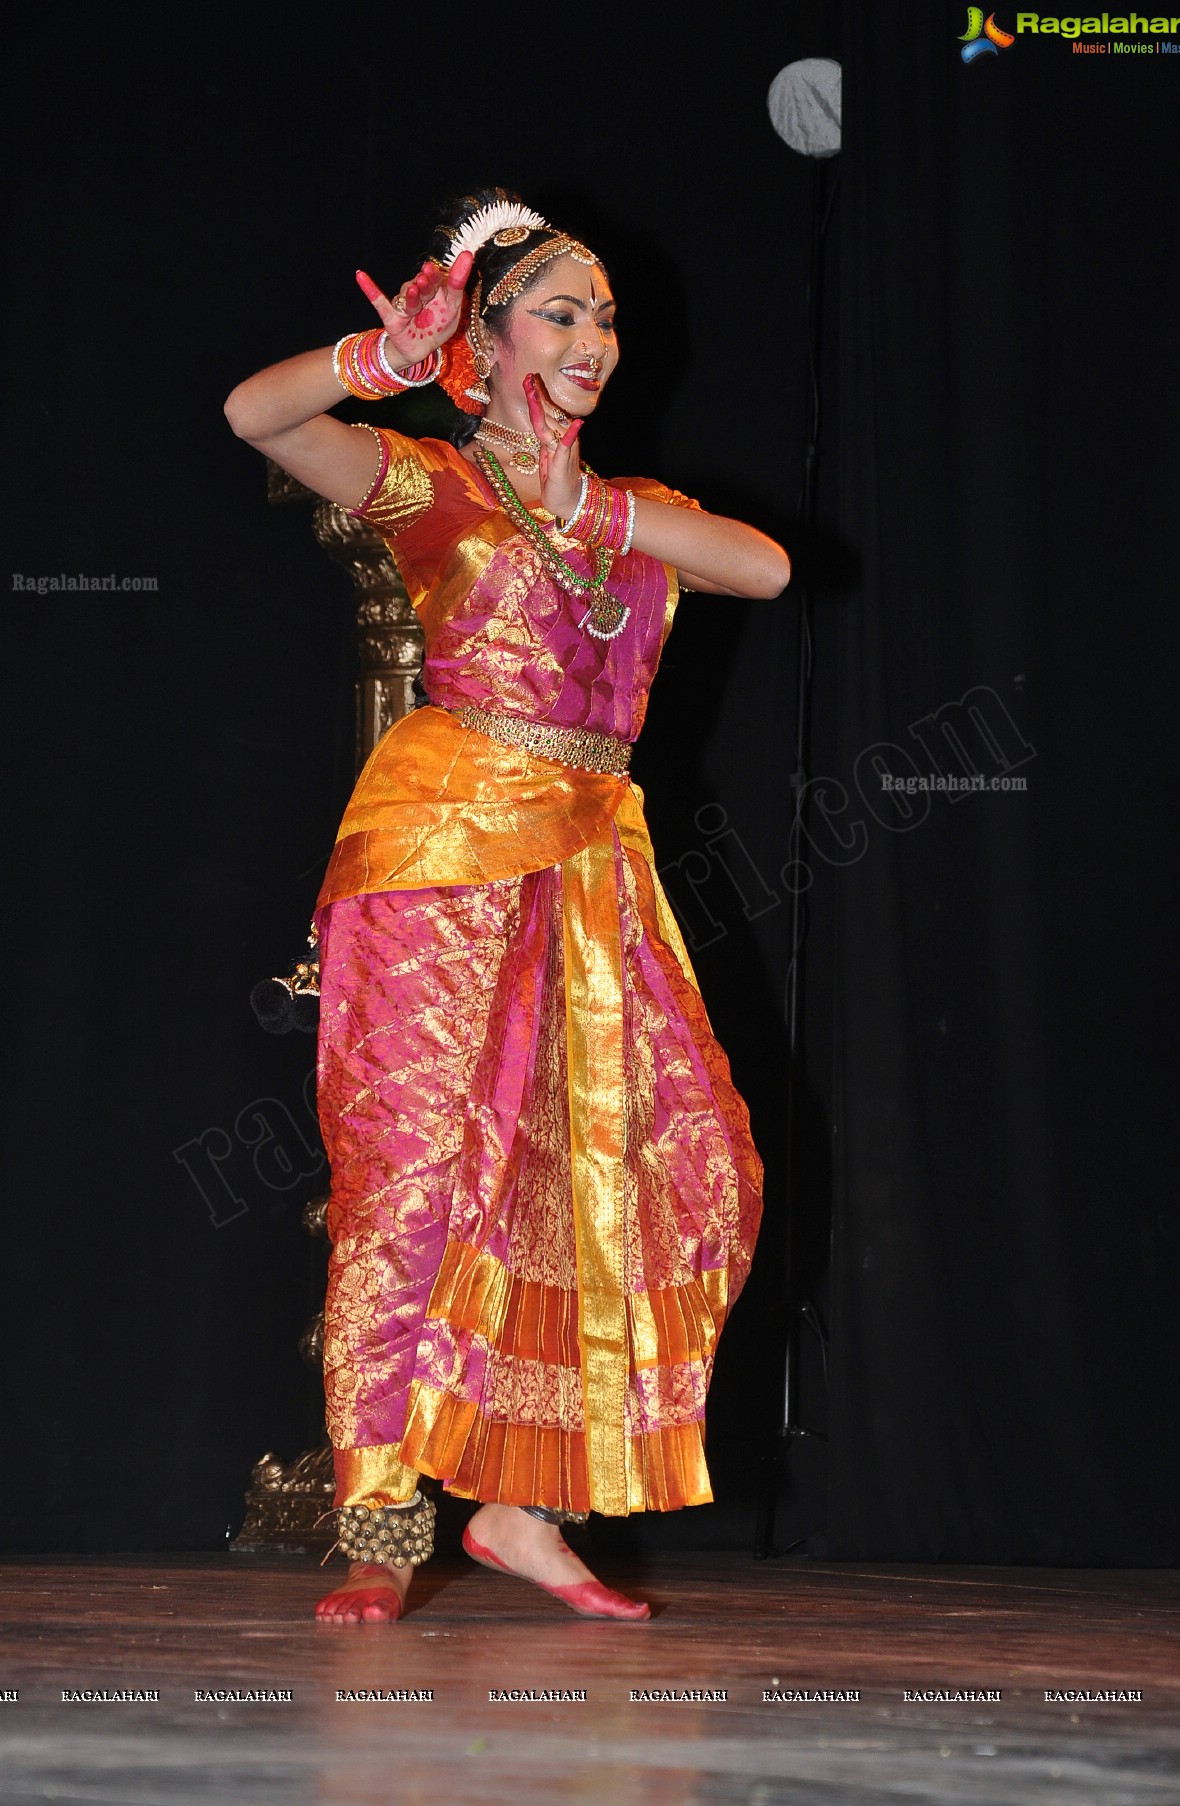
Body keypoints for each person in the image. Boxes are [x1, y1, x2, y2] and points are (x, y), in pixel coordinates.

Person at [224, 188, 790, 1624]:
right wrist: (381, 362)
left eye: (604, 317)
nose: (595, 338)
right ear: (487, 335)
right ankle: (377, 1521)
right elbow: (258, 419)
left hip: (595, 854)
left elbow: (766, 566)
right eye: (560, 312)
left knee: (681, 1173)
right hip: (444, 845)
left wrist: (592, 500)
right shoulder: (433, 485)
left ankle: (523, 1510)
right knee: (412, 1178)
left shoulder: (630, 515)